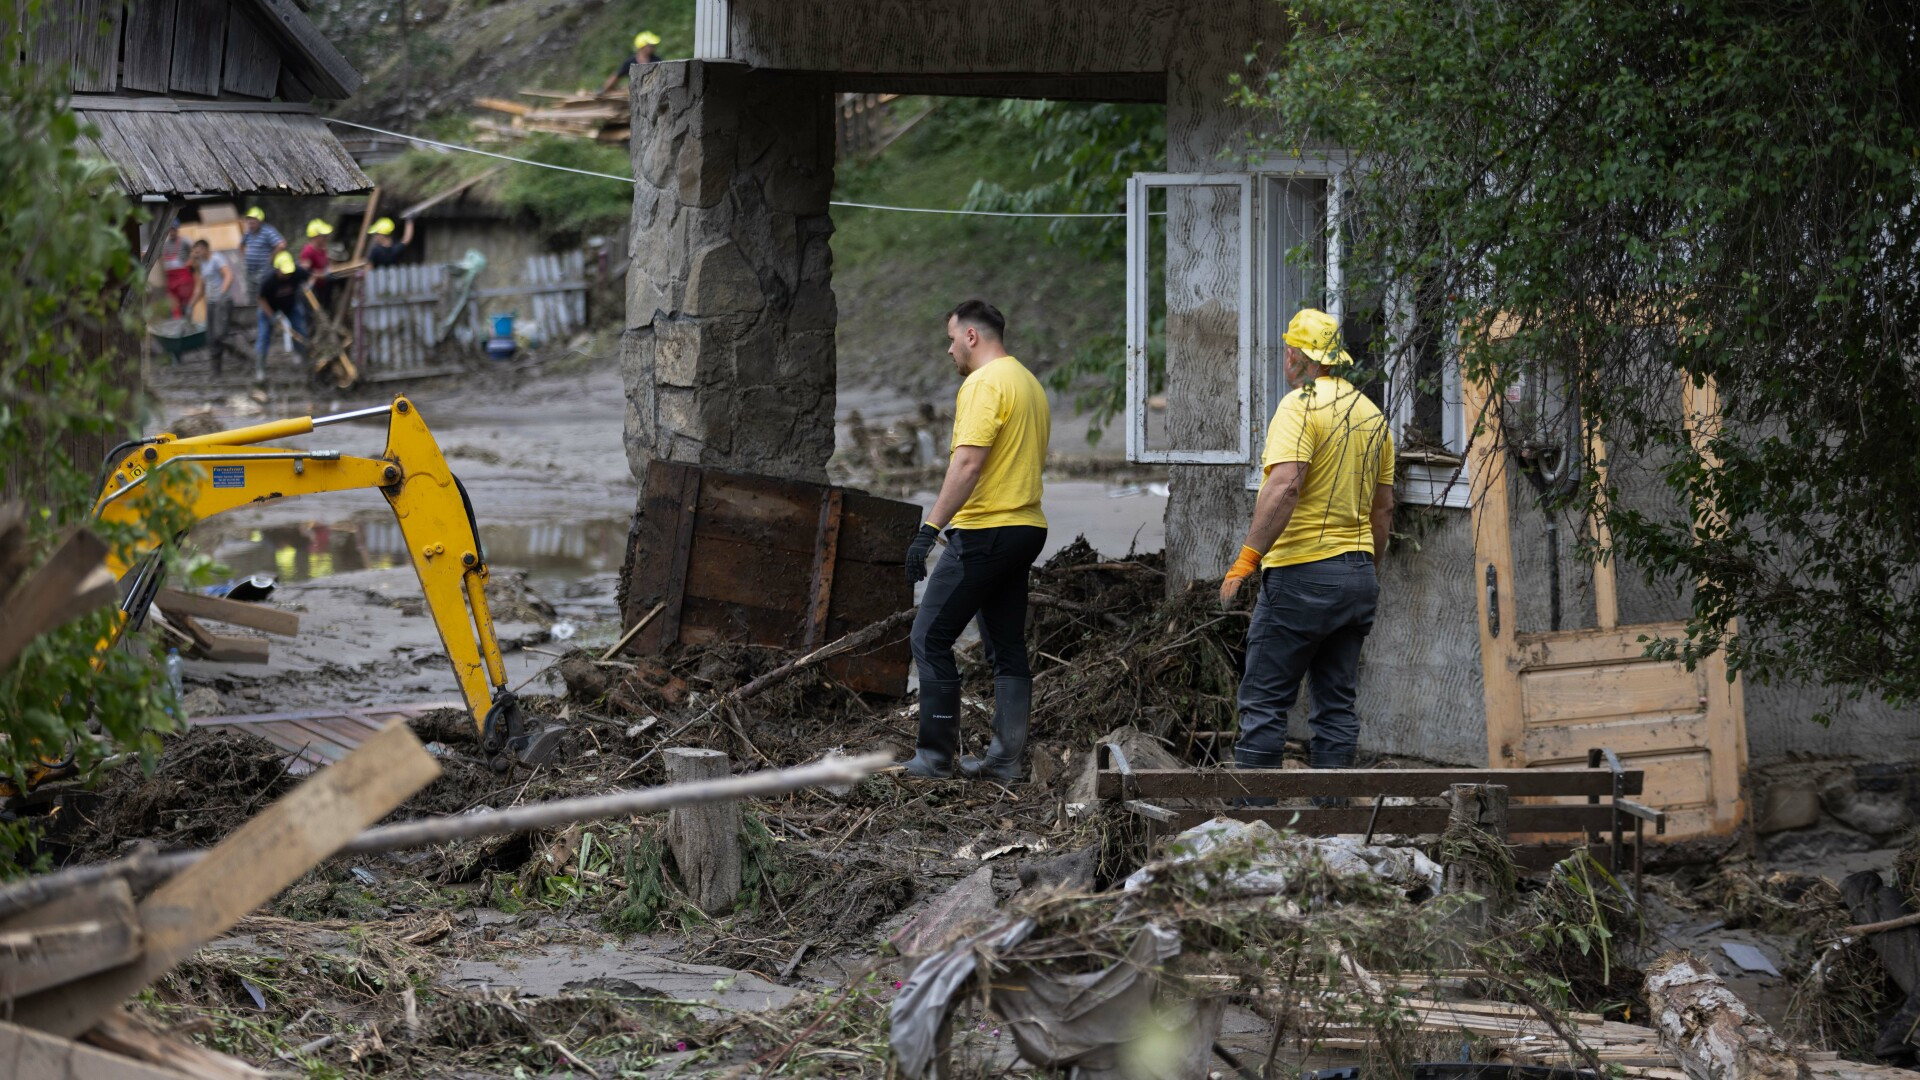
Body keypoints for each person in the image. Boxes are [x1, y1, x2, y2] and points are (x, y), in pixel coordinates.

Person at [1219, 307, 1396, 786]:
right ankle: (1330, 815)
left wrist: (1247, 560)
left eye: (1288, 351)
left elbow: (1286, 486)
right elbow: (1383, 511)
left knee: (1264, 700)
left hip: (1301, 576)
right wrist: (1365, 569)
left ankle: (1254, 818)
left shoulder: (1300, 406)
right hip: (1358, 577)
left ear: (1296, 355)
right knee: (1336, 706)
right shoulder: (1372, 414)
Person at [901, 300, 1051, 781]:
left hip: (986, 531)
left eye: (951, 339)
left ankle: (934, 757)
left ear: (971, 336)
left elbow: (968, 463)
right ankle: (1005, 762)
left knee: (929, 637)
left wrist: (929, 530)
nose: (949, 350)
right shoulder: (1027, 382)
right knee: (1006, 644)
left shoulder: (984, 383)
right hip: (1026, 528)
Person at [254, 250, 310, 384]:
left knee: (300, 331)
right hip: (269, 308)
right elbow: (261, 299)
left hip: (291, 306)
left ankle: (304, 361)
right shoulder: (268, 280)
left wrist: (309, 286)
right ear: (277, 269)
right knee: (263, 335)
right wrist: (272, 316)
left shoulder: (297, 272)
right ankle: (260, 369)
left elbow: (310, 276)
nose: (287, 275)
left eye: (289, 272)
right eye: (284, 272)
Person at [190, 239, 237, 375]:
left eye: (199, 250)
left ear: (206, 248)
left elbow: (229, 276)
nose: (197, 253)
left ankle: (238, 350)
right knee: (211, 337)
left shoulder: (217, 259)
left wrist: (222, 294)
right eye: (196, 251)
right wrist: (191, 305)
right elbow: (201, 287)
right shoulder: (202, 264)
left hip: (222, 302)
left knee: (219, 334)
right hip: (211, 303)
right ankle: (216, 370)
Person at [239, 207, 286, 300]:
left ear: (260, 221)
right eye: (249, 220)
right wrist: (245, 256)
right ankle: (253, 308)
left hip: (263, 270)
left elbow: (281, 245)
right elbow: (241, 244)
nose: (250, 223)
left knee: (263, 293)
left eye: (253, 221)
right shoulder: (248, 232)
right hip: (250, 270)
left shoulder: (268, 231)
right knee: (252, 295)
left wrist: (272, 257)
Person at [157, 223, 195, 317]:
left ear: (177, 229)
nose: (172, 232)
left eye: (173, 229)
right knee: (173, 302)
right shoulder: (163, 243)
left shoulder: (185, 241)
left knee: (185, 301)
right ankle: (177, 320)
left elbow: (195, 250)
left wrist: (190, 261)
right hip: (170, 277)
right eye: (170, 230)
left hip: (183, 276)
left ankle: (187, 317)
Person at [300, 218, 334, 316]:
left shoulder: (322, 249)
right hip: (312, 291)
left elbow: (326, 264)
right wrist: (321, 274)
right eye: (323, 236)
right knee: (315, 314)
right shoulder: (308, 252)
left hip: (323, 288)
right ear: (316, 237)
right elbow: (305, 275)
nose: (326, 238)